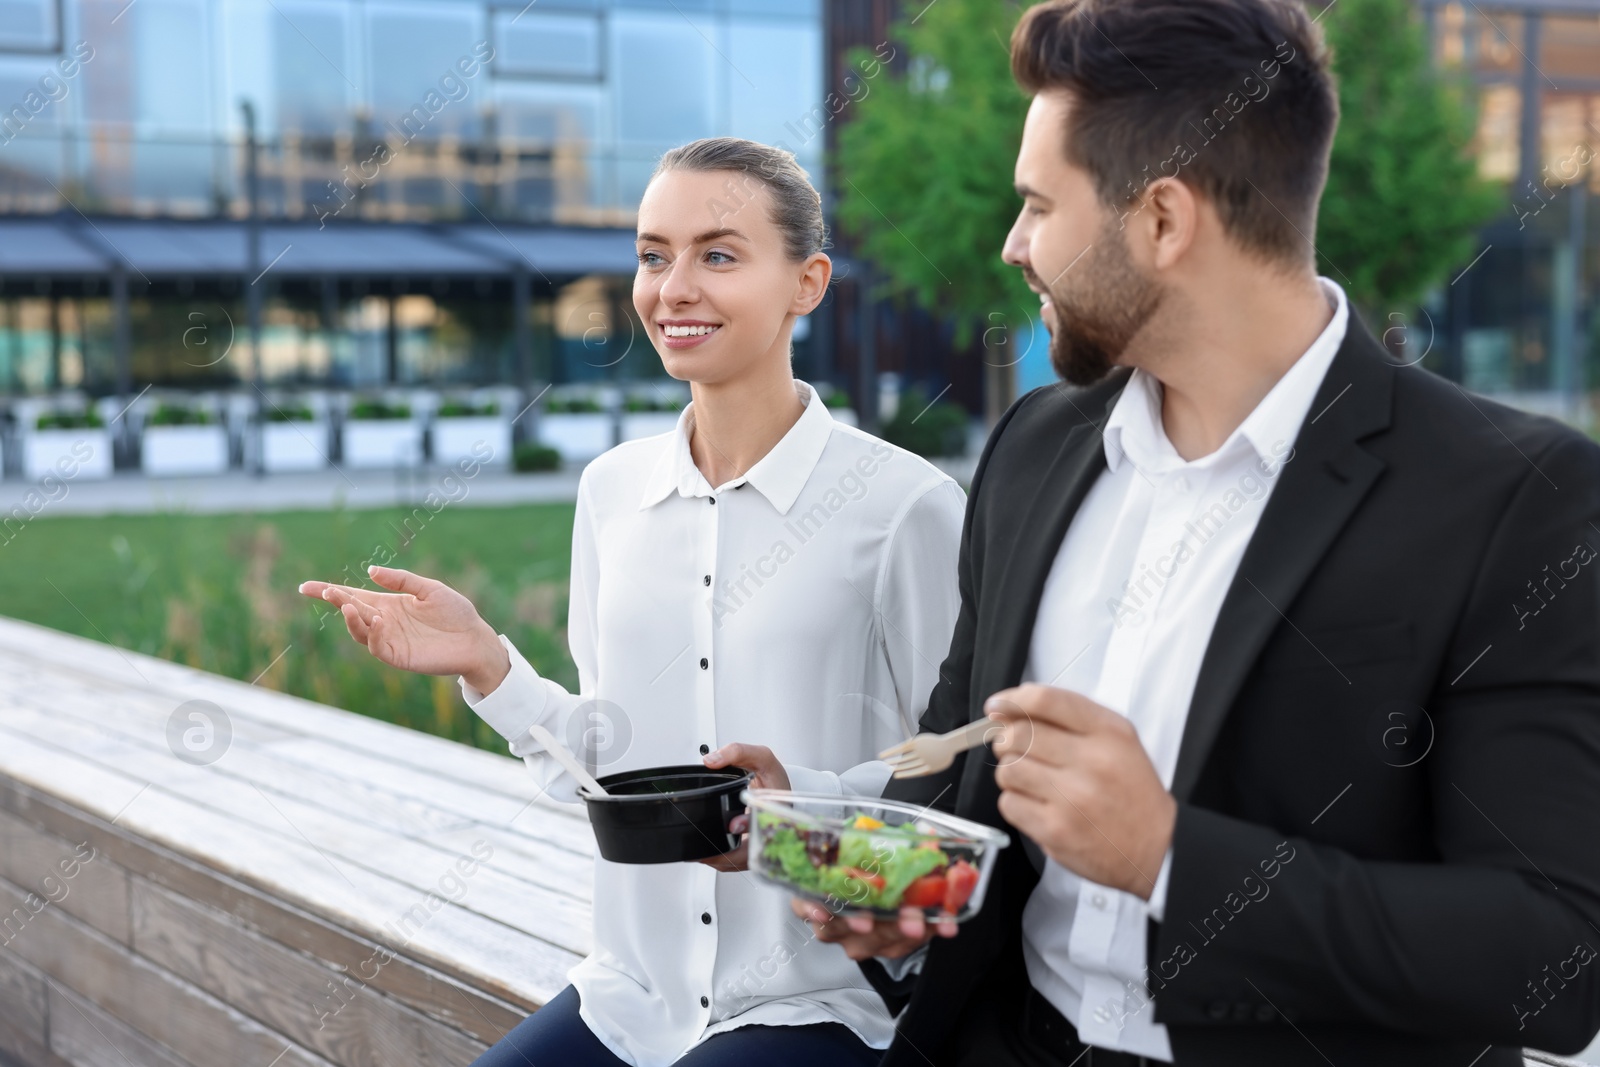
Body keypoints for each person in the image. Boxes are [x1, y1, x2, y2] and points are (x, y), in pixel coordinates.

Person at [795, 1, 1600, 1065]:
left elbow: (1553, 959)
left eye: (1038, 204)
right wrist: (889, 880)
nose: (1012, 245)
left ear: (1163, 221)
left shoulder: (1518, 497)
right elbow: (959, 747)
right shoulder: (1033, 447)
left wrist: (1170, 855)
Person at [297, 137, 966, 1066]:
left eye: (718, 255)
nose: (673, 287)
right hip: (632, 991)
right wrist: (489, 664)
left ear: (806, 284)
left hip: (826, 1002)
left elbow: (958, 801)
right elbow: (624, 766)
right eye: (654, 255)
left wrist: (791, 822)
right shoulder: (612, 493)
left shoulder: (905, 507)